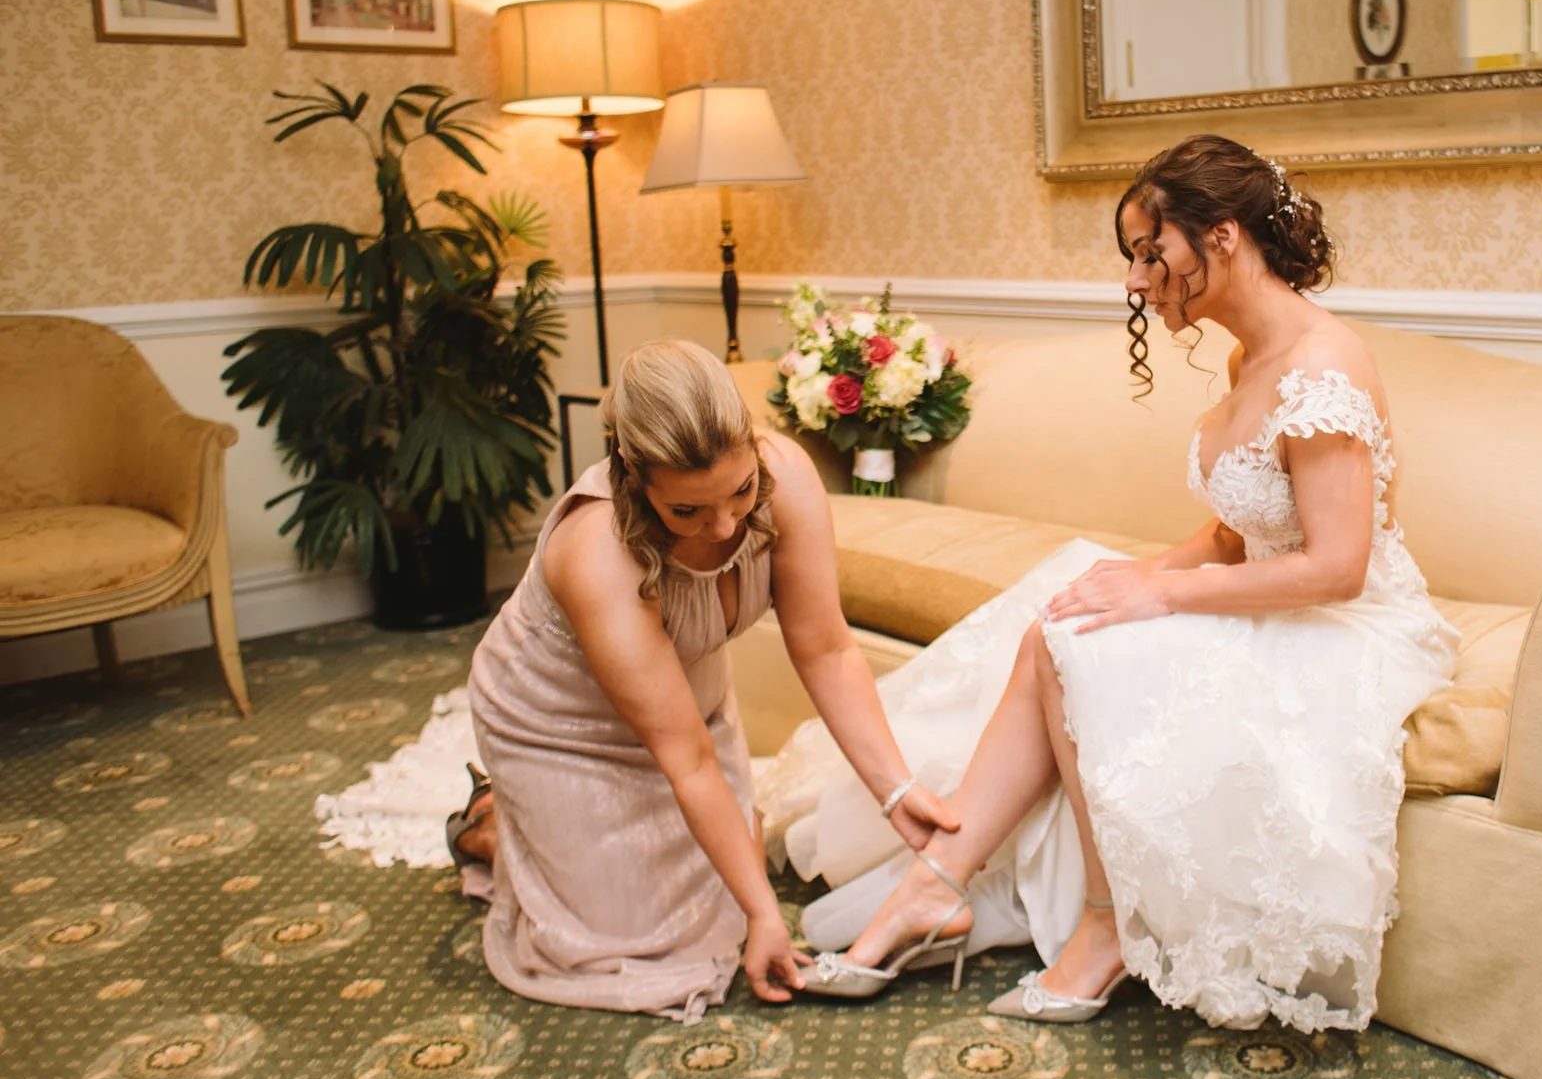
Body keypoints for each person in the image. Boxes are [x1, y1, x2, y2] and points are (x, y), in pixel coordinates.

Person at [760, 134, 1457, 1031]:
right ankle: (935, 884)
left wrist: (1160, 595)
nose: (1136, 280)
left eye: (1148, 250)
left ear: (1224, 236)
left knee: (1074, 640)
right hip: (1274, 595)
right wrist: (1142, 570)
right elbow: (1236, 531)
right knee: (1065, 597)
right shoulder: (1252, 357)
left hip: (1343, 624)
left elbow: (1336, 564)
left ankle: (1098, 925)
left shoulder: (1324, 365)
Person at [452, 340, 958, 1020]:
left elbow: (827, 650)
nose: (725, 526)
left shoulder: (787, 475)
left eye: (741, 491)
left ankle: (528, 833)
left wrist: (896, 790)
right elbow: (686, 761)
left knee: (710, 900)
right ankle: (487, 824)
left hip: (688, 696)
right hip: (554, 721)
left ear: (753, 446)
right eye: (687, 511)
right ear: (634, 475)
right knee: (635, 944)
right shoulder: (597, 549)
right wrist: (762, 913)